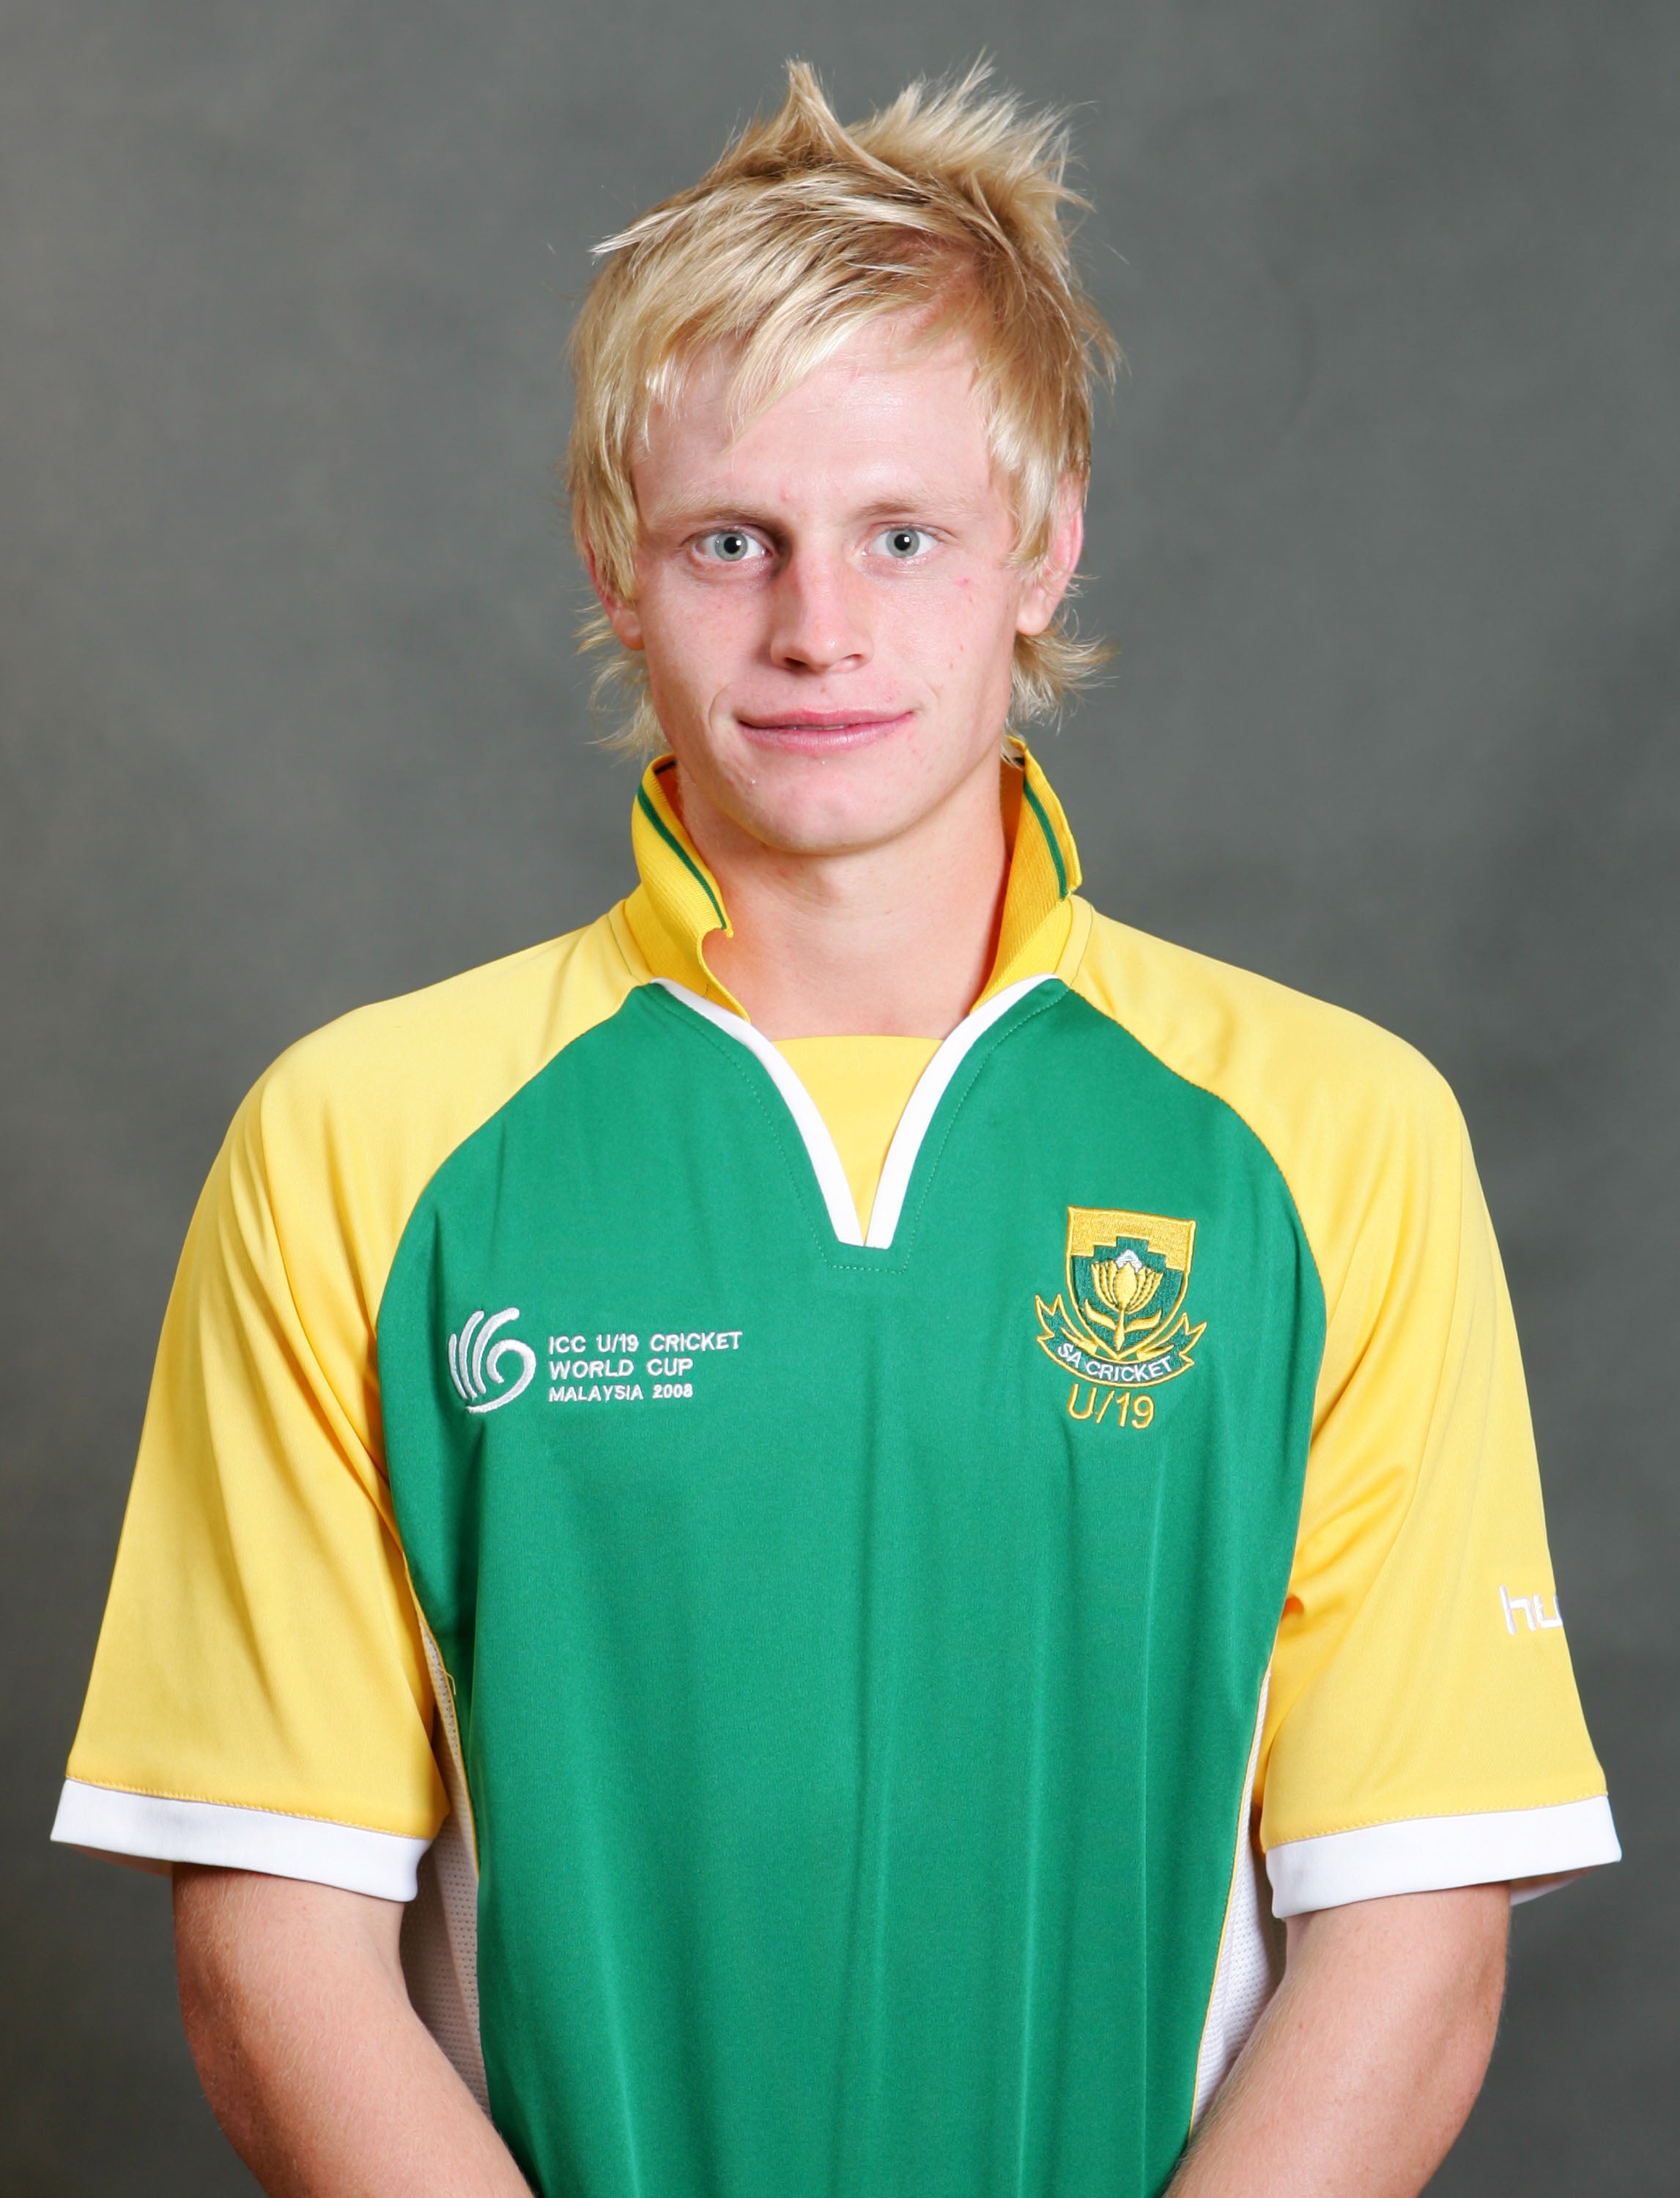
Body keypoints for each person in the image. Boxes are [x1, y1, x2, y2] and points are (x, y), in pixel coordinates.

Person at [54, 62, 1618, 2198]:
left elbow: (1416, 1925)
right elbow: (271, 1942)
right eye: (730, 541)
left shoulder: (1334, 1138)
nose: (819, 627)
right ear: (617, 561)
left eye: (903, 533)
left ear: (1043, 545)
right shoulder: (364, 1140)